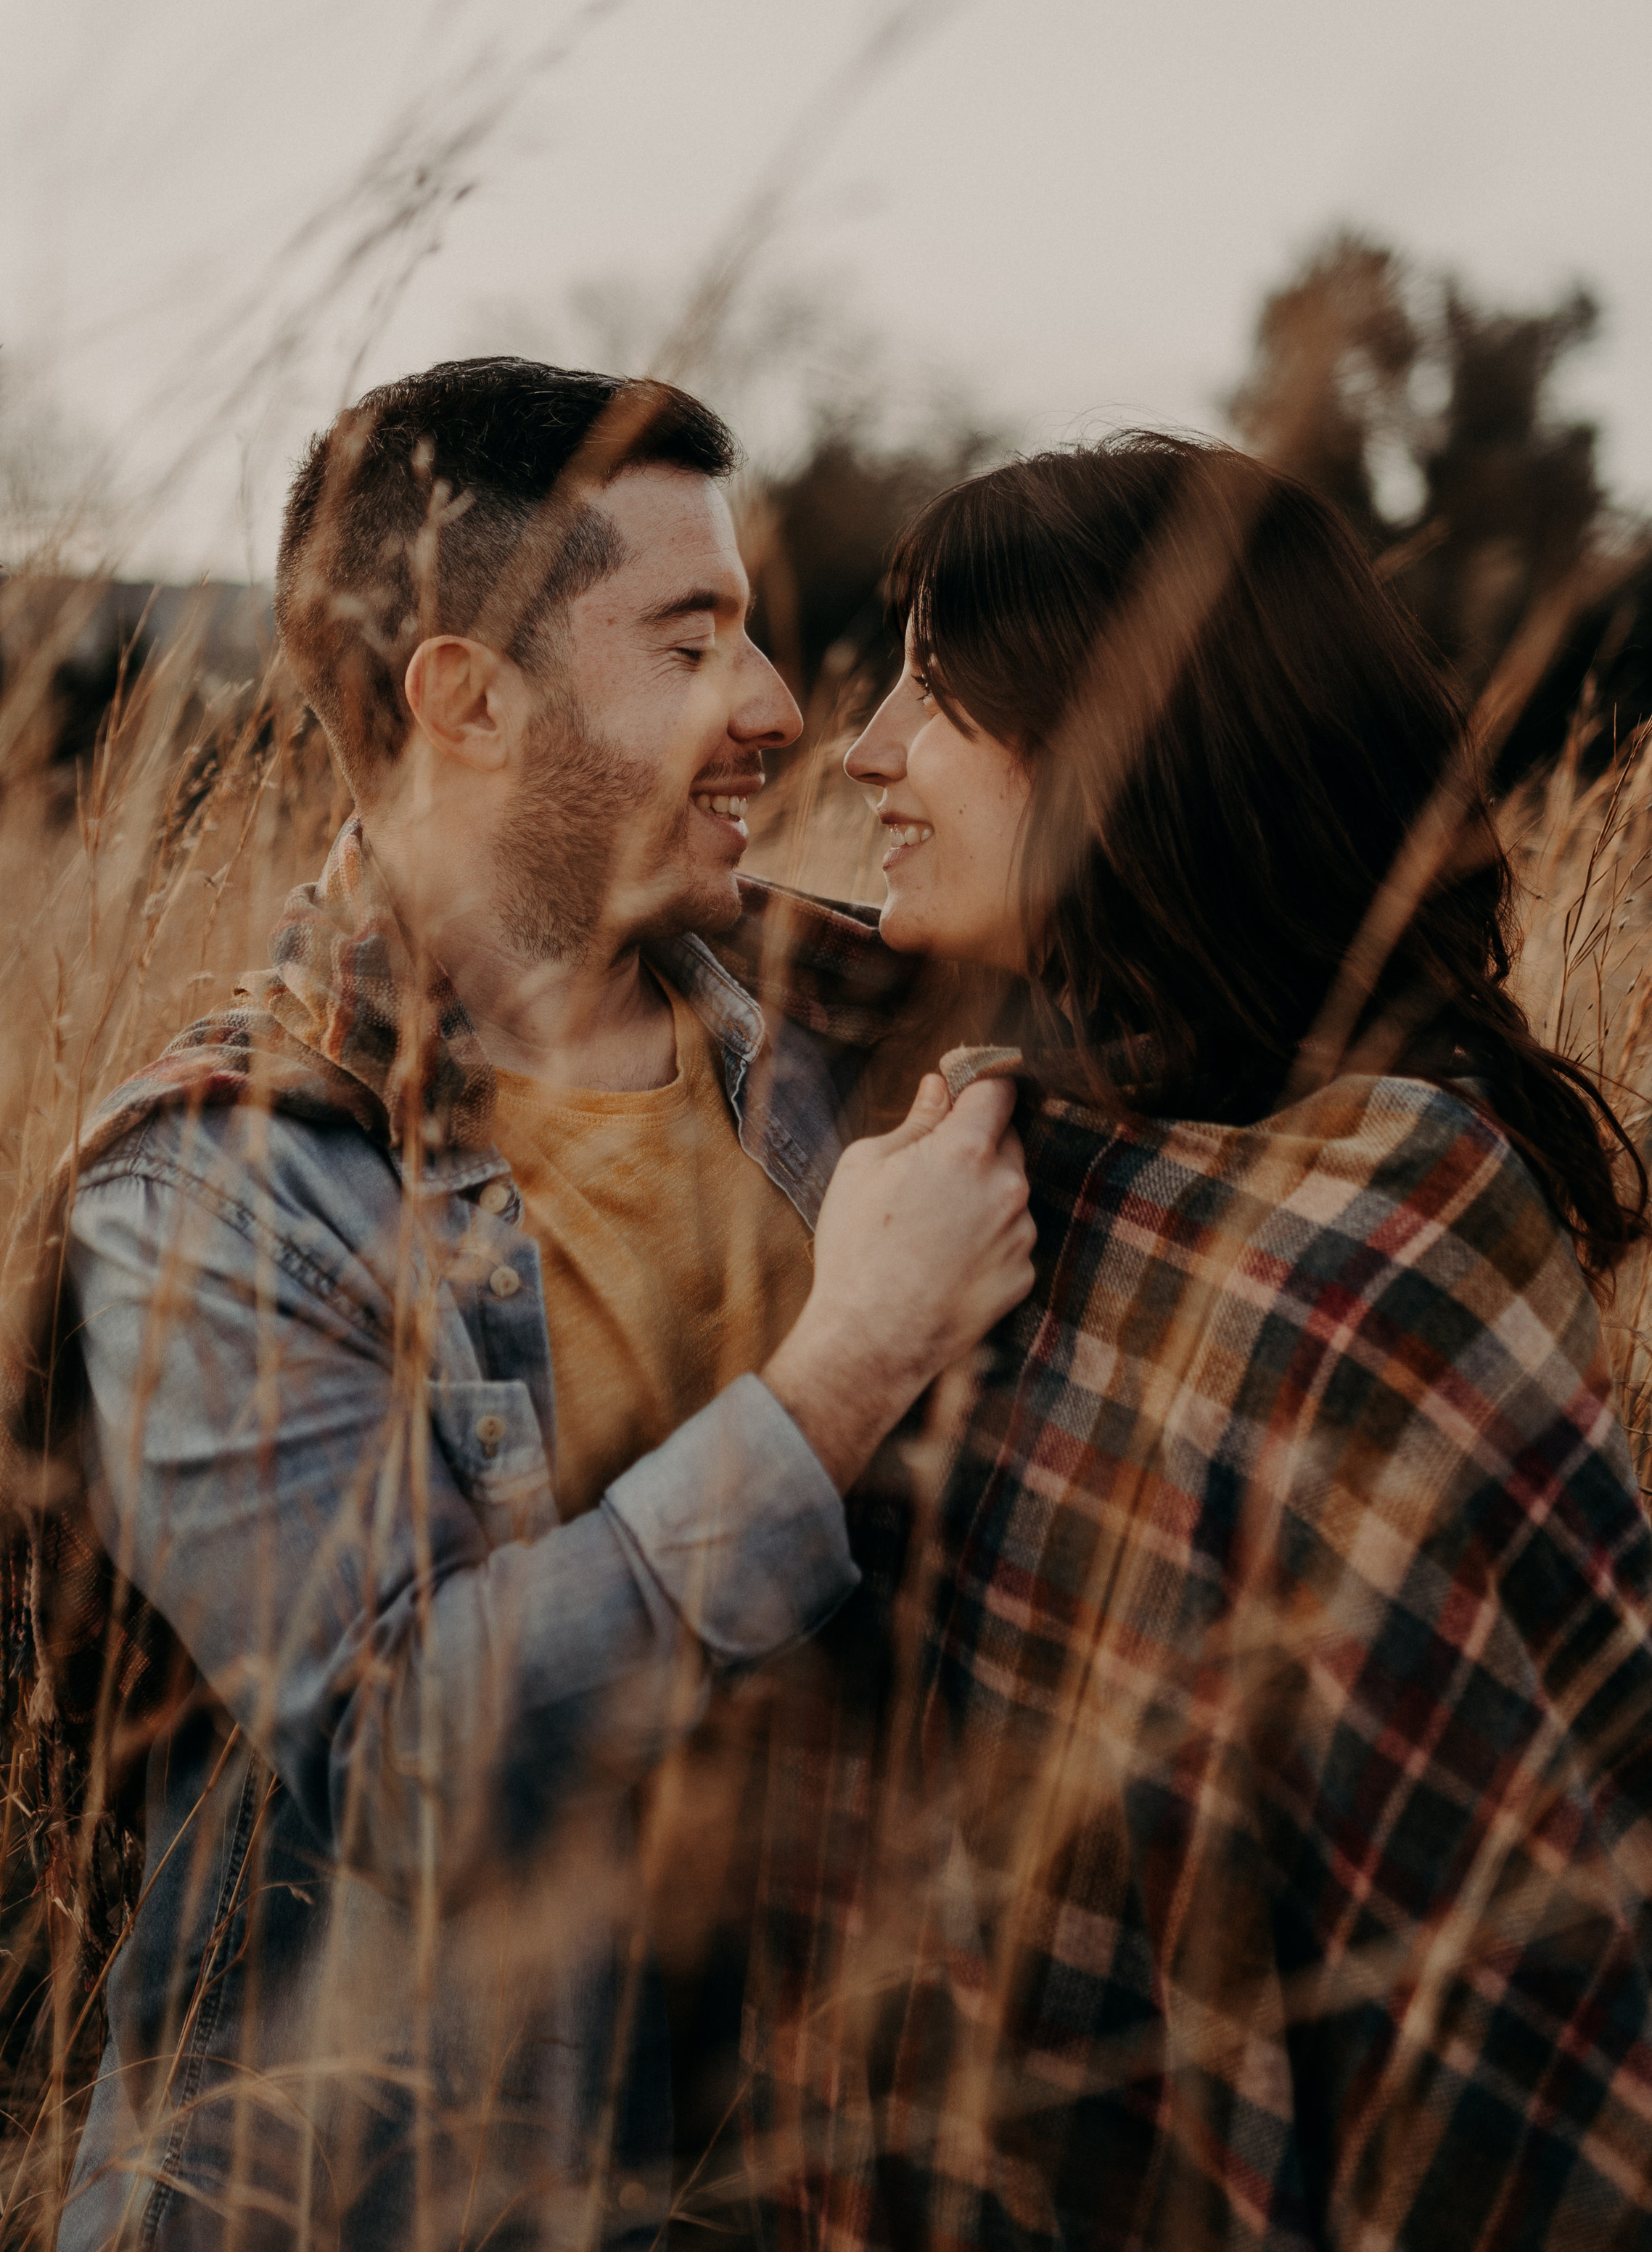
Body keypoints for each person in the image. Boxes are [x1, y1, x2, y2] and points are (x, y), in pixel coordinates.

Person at [734, 432, 1652, 2249]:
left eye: (932, 698)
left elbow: (1506, 1918)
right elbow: (650, 959)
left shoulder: (1382, 1229)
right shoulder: (997, 1140)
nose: (862, 752)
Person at [4, 358, 1034, 2252]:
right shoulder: (218, 1192)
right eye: (691, 640)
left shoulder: (813, 1055)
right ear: (467, 701)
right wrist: (844, 1373)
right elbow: (411, 1759)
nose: (778, 711)